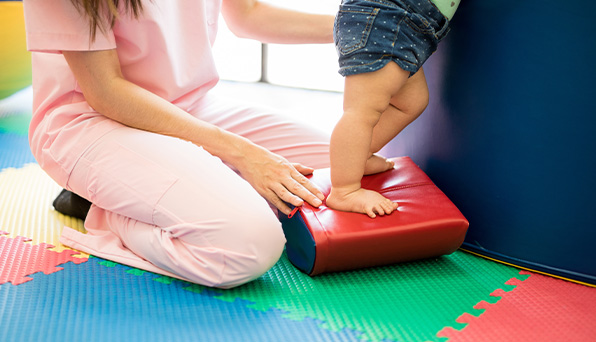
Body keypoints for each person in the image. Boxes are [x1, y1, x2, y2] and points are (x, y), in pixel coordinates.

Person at [22, 0, 334, 288]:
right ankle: (104, 209)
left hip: (187, 106)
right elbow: (105, 91)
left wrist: (363, 28)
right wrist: (243, 154)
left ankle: (172, 190)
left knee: (346, 167)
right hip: (90, 121)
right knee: (251, 245)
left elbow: (248, 15)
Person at [326, 0, 459, 218]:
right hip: (387, 16)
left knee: (412, 102)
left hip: (410, 25)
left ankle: (361, 156)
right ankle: (345, 190)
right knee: (362, 110)